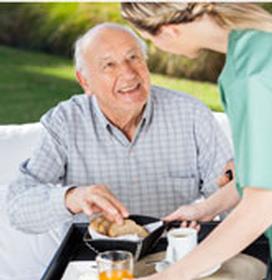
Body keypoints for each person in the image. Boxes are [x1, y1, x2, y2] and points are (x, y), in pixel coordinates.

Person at [6, 23, 232, 237]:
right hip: (94, 260)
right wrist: (73, 198)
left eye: (133, 58)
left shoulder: (191, 114)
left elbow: (232, 195)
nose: (128, 73)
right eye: (109, 65)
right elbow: (19, 209)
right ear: (85, 81)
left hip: (173, 254)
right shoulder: (65, 123)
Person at [121, 2, 272, 279]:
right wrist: (206, 208)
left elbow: (262, 207)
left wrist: (168, 276)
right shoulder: (264, 45)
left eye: (149, 41)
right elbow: (270, 164)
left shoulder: (250, 74)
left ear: (169, 31)